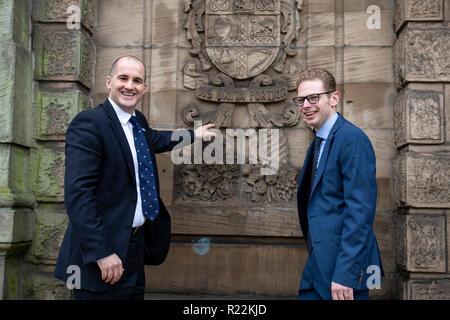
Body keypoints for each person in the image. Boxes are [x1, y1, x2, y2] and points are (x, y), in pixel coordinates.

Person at [54, 55, 215, 300]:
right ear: (109, 82)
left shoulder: (137, 122)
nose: (130, 86)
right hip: (103, 255)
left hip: (134, 248)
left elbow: (156, 140)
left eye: (137, 80)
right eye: (123, 78)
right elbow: (78, 196)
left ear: (144, 88)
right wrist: (102, 253)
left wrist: (194, 135)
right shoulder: (89, 123)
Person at [294, 68, 383, 300]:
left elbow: (360, 211)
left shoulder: (351, 138)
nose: (306, 105)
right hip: (317, 263)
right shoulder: (318, 142)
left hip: (342, 270)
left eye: (314, 98)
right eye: (301, 99)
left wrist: (346, 273)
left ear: (334, 98)